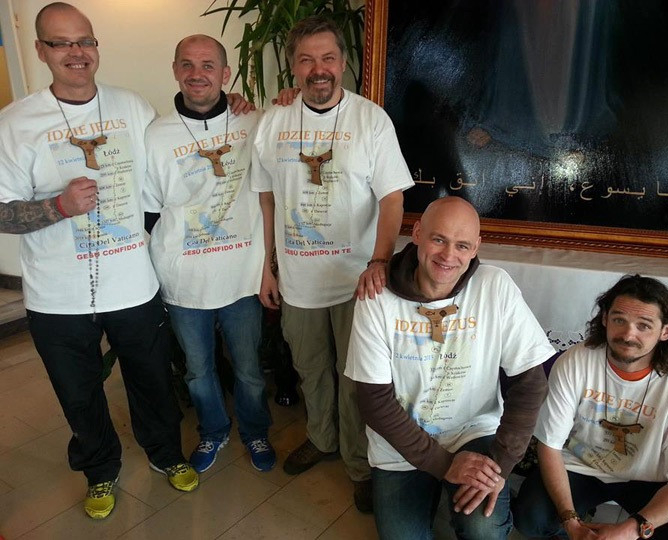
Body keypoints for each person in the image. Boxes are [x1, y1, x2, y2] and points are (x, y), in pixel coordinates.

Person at [0, 2, 197, 520]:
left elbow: (179, 143)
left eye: (84, 40)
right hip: (56, 295)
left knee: (152, 380)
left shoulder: (131, 106)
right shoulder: (15, 123)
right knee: (79, 393)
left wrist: (233, 105)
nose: (76, 52)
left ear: (95, 47)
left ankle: (165, 454)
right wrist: (58, 207)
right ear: (41, 50)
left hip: (133, 283)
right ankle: (99, 469)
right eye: (61, 42)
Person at [250, 15, 414, 512]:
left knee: (356, 379)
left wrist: (380, 261)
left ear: (343, 64)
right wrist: (267, 266)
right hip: (297, 278)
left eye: (327, 58)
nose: (317, 69)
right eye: (306, 59)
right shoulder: (274, 121)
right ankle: (322, 439)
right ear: (293, 68)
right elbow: (266, 199)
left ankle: (359, 464)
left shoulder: (371, 120)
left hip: (355, 280)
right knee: (311, 369)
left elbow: (392, 198)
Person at [344, 196, 555, 539]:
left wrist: (499, 467)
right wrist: (444, 464)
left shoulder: (494, 285)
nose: (448, 255)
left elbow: (531, 384)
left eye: (462, 245)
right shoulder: (377, 295)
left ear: (476, 248)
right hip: (399, 445)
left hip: (473, 431)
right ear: (416, 233)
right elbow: (374, 401)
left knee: (484, 529)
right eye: (438, 239)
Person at [143, 34, 275, 474]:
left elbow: (293, 125)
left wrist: (269, 266)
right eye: (187, 64)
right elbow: (149, 210)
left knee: (249, 368)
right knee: (198, 371)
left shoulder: (253, 121)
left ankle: (255, 430)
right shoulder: (155, 135)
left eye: (207, 65)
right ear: (175, 70)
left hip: (241, 273)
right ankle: (213, 431)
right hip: (183, 280)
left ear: (225, 73)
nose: (196, 74)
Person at [513, 274, 668, 539]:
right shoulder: (575, 361)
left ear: (666, 331)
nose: (628, 334)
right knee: (531, 518)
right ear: (605, 319)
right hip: (580, 466)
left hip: (649, 479)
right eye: (619, 320)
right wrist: (571, 521)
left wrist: (631, 529)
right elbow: (550, 445)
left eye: (644, 325)